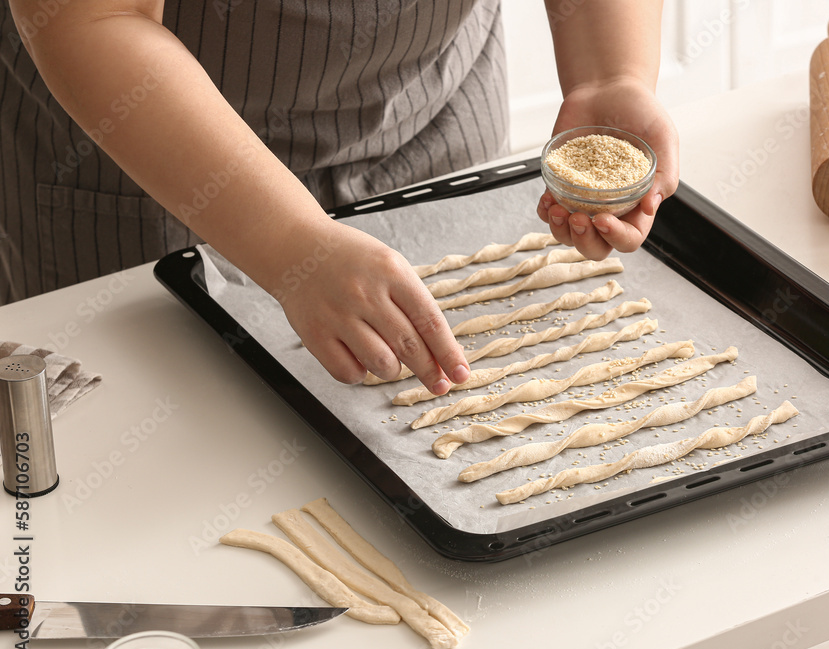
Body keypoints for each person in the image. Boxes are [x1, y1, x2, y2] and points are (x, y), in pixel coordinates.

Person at [1, 0, 678, 395]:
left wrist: (609, 71)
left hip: (430, 118)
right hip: (154, 168)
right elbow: (91, 18)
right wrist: (290, 243)